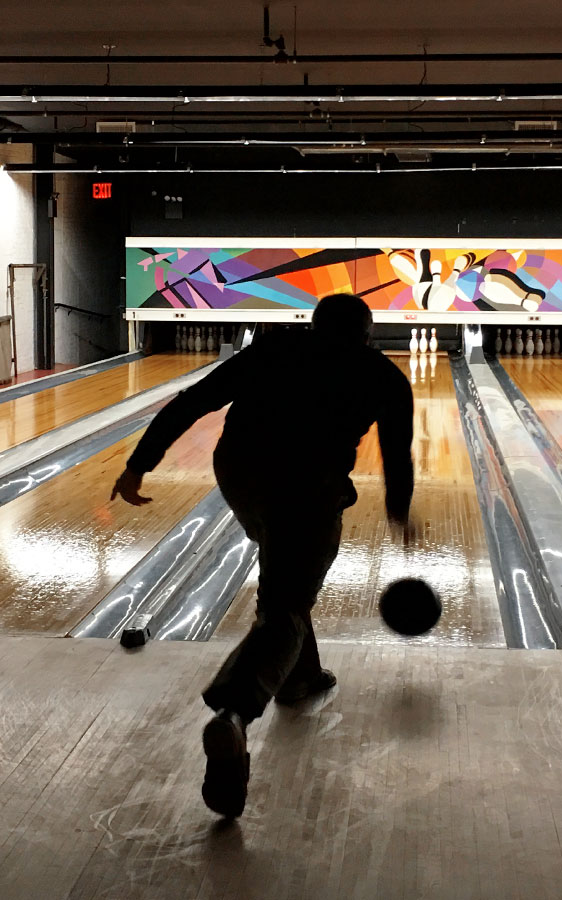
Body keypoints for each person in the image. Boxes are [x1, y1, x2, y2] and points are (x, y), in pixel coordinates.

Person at [111, 293, 414, 818]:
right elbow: (397, 450)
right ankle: (234, 713)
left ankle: (301, 676)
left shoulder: (274, 348)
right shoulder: (383, 375)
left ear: (313, 324)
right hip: (308, 486)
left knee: (286, 575)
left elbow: (192, 401)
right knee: (289, 601)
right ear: (367, 334)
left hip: (240, 475)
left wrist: (140, 463)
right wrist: (398, 509)